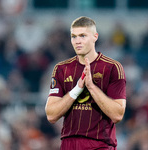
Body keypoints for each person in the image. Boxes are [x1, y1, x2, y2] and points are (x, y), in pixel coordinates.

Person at [45, 16, 126, 150]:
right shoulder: (61, 69)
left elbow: (118, 115)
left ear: (95, 36)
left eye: (82, 36)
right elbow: (51, 115)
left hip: (100, 145)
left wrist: (91, 87)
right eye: (74, 36)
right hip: (68, 144)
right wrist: (77, 89)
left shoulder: (112, 68)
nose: (77, 41)